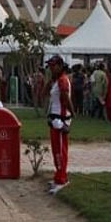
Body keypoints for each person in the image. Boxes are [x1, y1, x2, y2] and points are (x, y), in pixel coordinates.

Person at [42, 54, 74, 195]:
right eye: (50, 66)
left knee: (61, 151)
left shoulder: (63, 80)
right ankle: (58, 176)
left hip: (61, 119)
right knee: (56, 151)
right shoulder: (56, 81)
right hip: (54, 119)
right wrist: (49, 81)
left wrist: (72, 113)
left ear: (60, 66)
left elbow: (66, 98)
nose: (51, 68)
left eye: (53, 66)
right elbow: (43, 94)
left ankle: (62, 179)